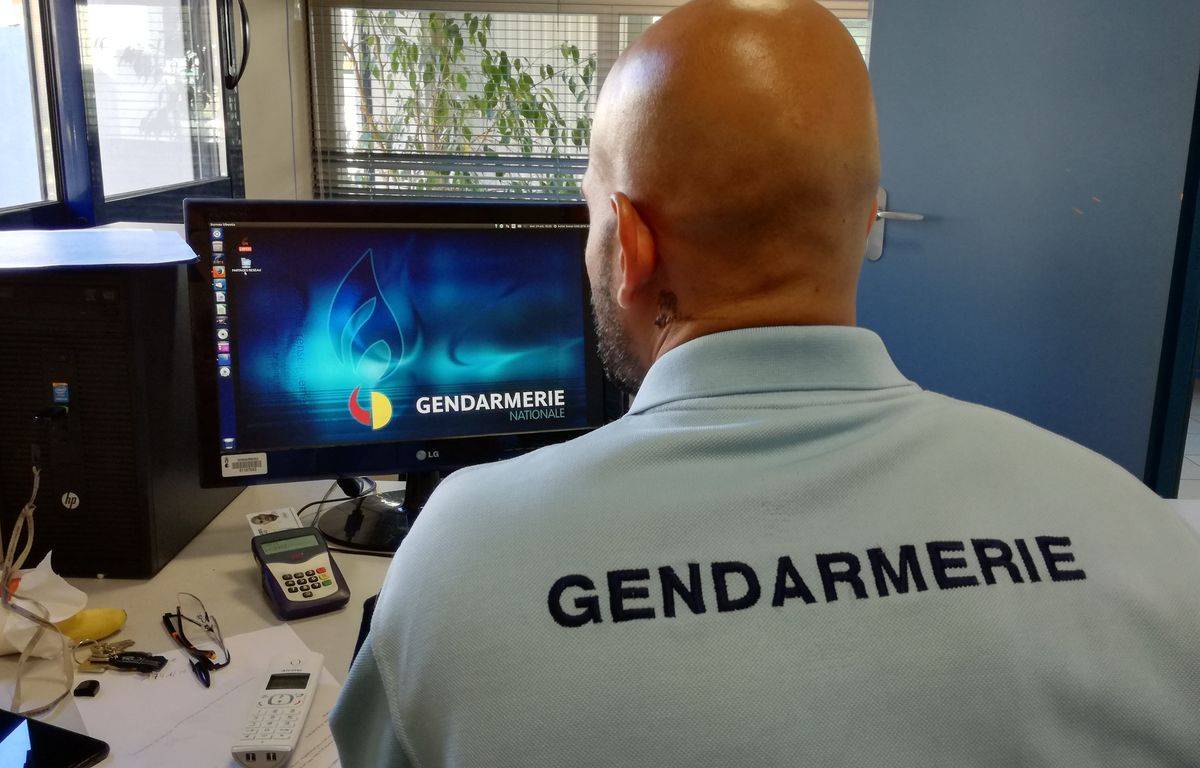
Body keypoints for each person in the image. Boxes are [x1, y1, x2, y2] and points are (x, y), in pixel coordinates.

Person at [330, 0, 1200, 764]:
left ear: (630, 246)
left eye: (591, 212)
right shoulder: (1140, 534)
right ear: (866, 223)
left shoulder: (460, 561)